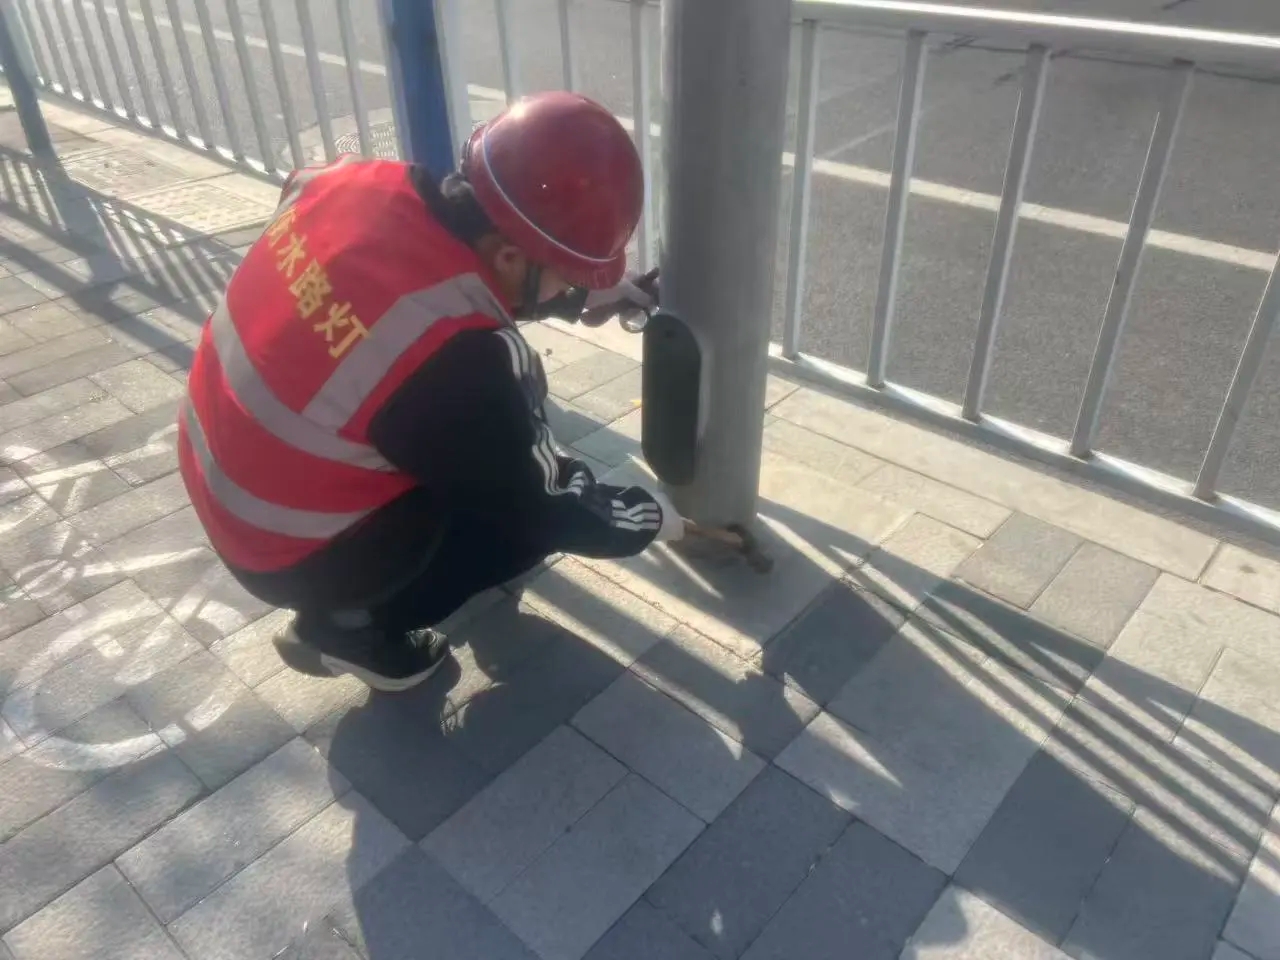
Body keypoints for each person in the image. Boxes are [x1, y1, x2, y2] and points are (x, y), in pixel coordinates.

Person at [177, 91, 685, 693]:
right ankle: (350, 629)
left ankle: (350, 595)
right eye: (564, 277)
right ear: (510, 256)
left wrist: (575, 296)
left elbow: (417, 276)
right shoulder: (459, 366)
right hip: (279, 546)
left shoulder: (349, 181)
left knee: (449, 449)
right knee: (510, 527)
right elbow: (540, 503)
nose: (564, 289)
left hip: (217, 468)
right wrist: (664, 519)